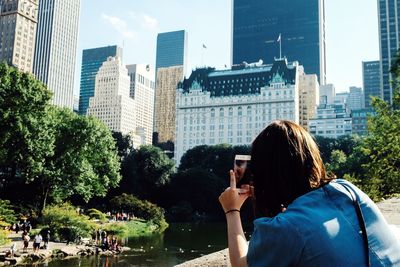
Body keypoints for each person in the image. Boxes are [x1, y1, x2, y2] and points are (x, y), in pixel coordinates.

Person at [219, 120, 400, 267]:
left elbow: (241, 265)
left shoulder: (286, 227)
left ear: (265, 171)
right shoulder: (346, 189)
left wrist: (232, 211)